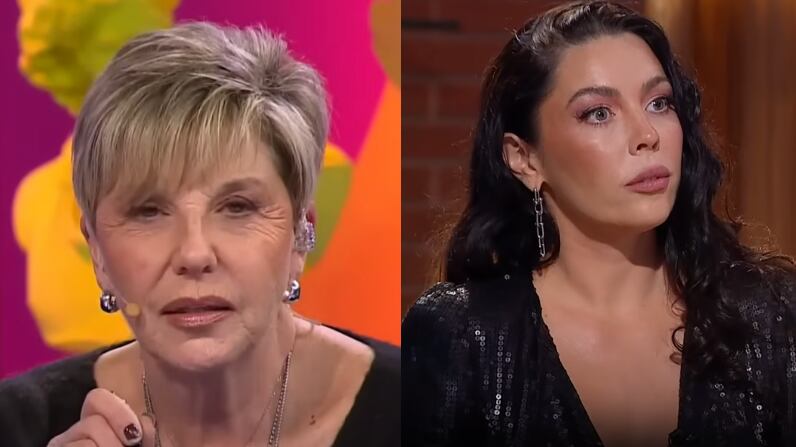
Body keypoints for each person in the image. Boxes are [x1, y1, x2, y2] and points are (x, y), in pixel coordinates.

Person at [402, 2, 795, 446]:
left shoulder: (772, 317)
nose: (647, 135)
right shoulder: (461, 336)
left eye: (659, 103)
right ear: (525, 159)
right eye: (599, 113)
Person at [0, 22, 399, 447]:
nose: (194, 254)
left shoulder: (424, 409)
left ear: (302, 235)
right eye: (149, 211)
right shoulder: (18, 425)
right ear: (97, 250)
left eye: (237, 207)